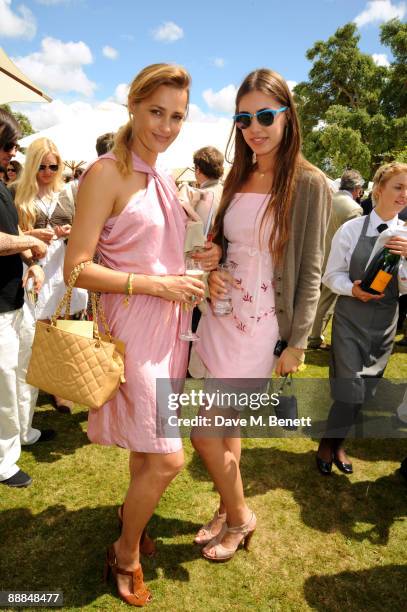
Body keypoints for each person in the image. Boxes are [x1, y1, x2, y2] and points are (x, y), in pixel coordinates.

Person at [64, 63, 217, 606]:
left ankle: (136, 515)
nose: (167, 126)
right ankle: (124, 552)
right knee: (170, 457)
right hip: (131, 327)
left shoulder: (160, 174)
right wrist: (156, 283)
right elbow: (76, 270)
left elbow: (156, 249)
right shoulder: (107, 172)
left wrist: (200, 258)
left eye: (177, 116)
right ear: (132, 105)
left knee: (144, 449)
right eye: (157, 112)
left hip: (169, 329)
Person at [190, 68, 331, 561]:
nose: (255, 127)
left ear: (288, 117)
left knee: (203, 430)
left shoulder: (310, 182)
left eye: (266, 115)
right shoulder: (239, 174)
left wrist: (298, 343)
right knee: (227, 427)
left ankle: (241, 515)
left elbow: (311, 266)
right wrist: (211, 264)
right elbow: (224, 243)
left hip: (263, 325)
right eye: (244, 118)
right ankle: (229, 509)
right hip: (221, 313)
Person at [316, 162, 407, 475]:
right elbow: (331, 276)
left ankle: (338, 441)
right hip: (351, 318)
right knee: (350, 387)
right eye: (399, 186)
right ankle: (328, 444)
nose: (404, 195)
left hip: (384, 323)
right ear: (379, 190)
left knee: (365, 391)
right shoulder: (351, 229)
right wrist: (353, 290)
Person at [0, 109, 54, 489]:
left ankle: (24, 433)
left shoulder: (2, 185)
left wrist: (27, 257)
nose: (12, 152)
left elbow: (10, 231)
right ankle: (4, 461)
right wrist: (29, 242)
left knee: (24, 371)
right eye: (7, 145)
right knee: (4, 382)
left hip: (15, 297)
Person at [14, 137, 88, 413]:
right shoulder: (17, 195)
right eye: (42, 166)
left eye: (53, 166)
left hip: (62, 265)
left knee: (62, 328)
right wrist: (33, 234)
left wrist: (68, 231)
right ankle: (34, 385)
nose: (47, 172)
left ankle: (59, 387)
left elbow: (82, 225)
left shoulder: (66, 193)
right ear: (32, 165)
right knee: (37, 330)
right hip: (32, 266)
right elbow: (12, 233)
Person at [308, 170, 363, 349]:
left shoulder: (328, 199)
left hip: (317, 254)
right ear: (357, 188)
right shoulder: (353, 208)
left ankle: (309, 334)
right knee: (326, 302)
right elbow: (354, 241)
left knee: (313, 299)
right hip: (335, 260)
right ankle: (315, 337)